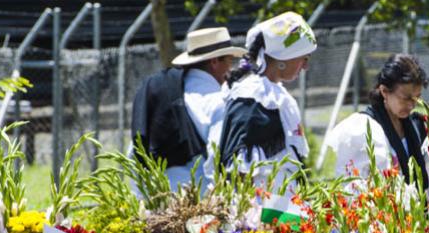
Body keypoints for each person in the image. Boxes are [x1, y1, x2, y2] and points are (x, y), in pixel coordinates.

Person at [208, 12, 317, 194]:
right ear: (284, 58)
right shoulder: (253, 96)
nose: (305, 66)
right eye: (303, 58)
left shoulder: (274, 93)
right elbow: (238, 168)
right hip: (259, 210)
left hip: (281, 205)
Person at [131, 27, 245, 191]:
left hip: (158, 200)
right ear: (214, 62)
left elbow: (136, 147)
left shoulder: (160, 91)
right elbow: (218, 158)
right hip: (202, 201)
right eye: (229, 61)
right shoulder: (217, 101)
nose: (231, 68)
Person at [323, 54, 429, 200]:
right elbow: (353, 189)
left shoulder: (417, 126)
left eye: (416, 98)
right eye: (406, 98)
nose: (411, 105)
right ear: (384, 91)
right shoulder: (362, 129)